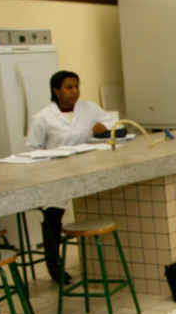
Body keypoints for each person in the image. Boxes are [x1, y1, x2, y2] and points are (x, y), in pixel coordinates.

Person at [26, 70, 115, 283]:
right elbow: (32, 149)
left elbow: (113, 120)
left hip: (87, 168)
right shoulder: (43, 117)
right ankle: (54, 264)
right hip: (57, 172)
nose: (75, 91)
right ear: (56, 91)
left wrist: (105, 126)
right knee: (53, 214)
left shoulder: (89, 108)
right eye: (69, 87)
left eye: (76, 86)